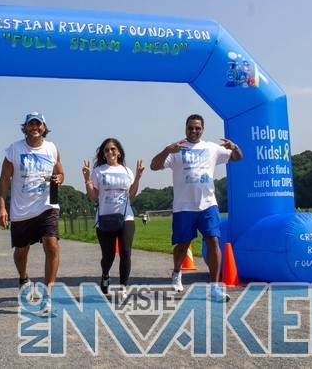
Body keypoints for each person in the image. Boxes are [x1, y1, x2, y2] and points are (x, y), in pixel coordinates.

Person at [150, 114, 243, 302]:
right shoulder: (176, 149)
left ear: (203, 130)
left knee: (213, 241)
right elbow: (154, 166)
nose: (194, 131)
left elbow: (237, 157)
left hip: (208, 204)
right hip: (184, 206)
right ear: (186, 128)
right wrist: (167, 150)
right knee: (183, 244)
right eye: (190, 127)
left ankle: (215, 287)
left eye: (197, 128)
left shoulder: (211, 148)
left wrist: (234, 147)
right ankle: (177, 272)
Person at [0, 111, 64, 311]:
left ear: (44, 127)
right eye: (31, 124)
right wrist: (1, 207)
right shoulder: (14, 150)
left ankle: (47, 295)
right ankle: (24, 278)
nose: (35, 127)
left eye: (38, 124)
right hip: (22, 209)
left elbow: (60, 172)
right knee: (21, 252)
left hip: (47, 205)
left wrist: (59, 178)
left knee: (52, 245)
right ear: (25, 127)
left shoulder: (52, 148)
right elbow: (4, 180)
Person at [82, 138, 144, 298]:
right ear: (103, 154)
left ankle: (123, 287)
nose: (110, 152)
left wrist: (137, 177)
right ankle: (105, 274)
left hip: (125, 216)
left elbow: (131, 195)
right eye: (106, 150)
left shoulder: (127, 171)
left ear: (119, 152)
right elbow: (92, 196)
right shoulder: (98, 171)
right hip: (105, 217)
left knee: (125, 252)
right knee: (108, 256)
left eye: (113, 149)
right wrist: (87, 179)